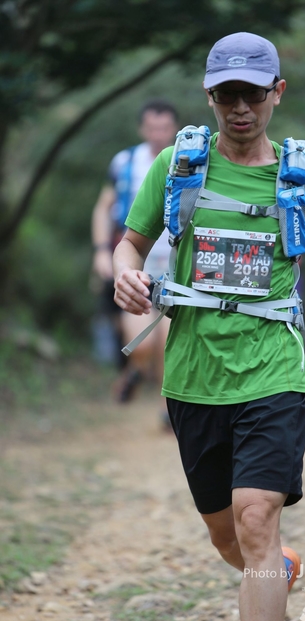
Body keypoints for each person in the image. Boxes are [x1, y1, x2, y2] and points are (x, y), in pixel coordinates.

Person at [112, 33, 305, 621]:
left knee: (257, 518)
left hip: (273, 370)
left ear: (277, 92)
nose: (241, 108)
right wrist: (124, 275)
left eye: (254, 94)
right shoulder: (178, 166)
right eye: (227, 95)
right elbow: (130, 243)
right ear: (209, 96)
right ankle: (275, 570)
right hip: (194, 374)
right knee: (228, 536)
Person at [91, 99, 179, 408]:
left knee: (169, 343)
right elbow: (103, 208)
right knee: (140, 344)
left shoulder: (189, 162)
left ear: (174, 129)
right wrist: (102, 251)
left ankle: (170, 410)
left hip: (175, 265)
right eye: (152, 128)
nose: (158, 134)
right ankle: (134, 371)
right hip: (136, 261)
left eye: (164, 128)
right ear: (142, 128)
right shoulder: (125, 162)